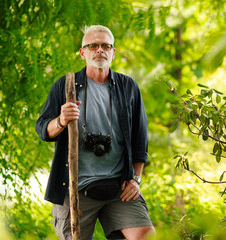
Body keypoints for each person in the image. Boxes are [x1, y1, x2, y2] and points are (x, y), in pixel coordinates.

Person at [36, 25, 155, 240]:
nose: (100, 50)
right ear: (83, 53)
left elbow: (140, 140)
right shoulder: (65, 86)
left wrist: (135, 179)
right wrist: (61, 121)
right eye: (93, 46)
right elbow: (43, 129)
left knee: (146, 236)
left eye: (105, 46)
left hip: (119, 188)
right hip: (76, 188)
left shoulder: (128, 87)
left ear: (113, 52)